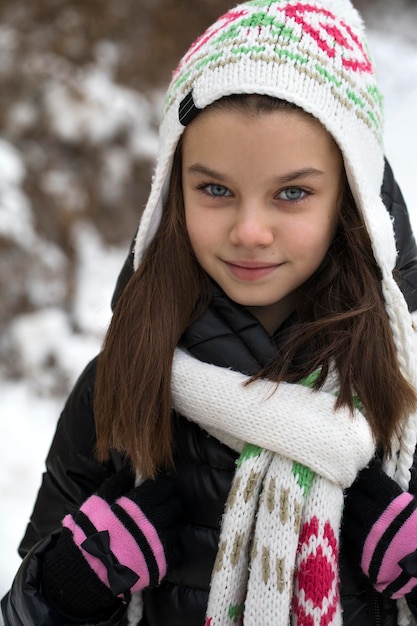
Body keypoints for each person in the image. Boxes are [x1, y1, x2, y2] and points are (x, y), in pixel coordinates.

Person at [3, 1, 417, 625]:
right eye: (216, 190)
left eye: (293, 193)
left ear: (351, 198)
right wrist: (63, 588)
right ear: (173, 192)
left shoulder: (403, 392)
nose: (250, 231)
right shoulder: (123, 381)